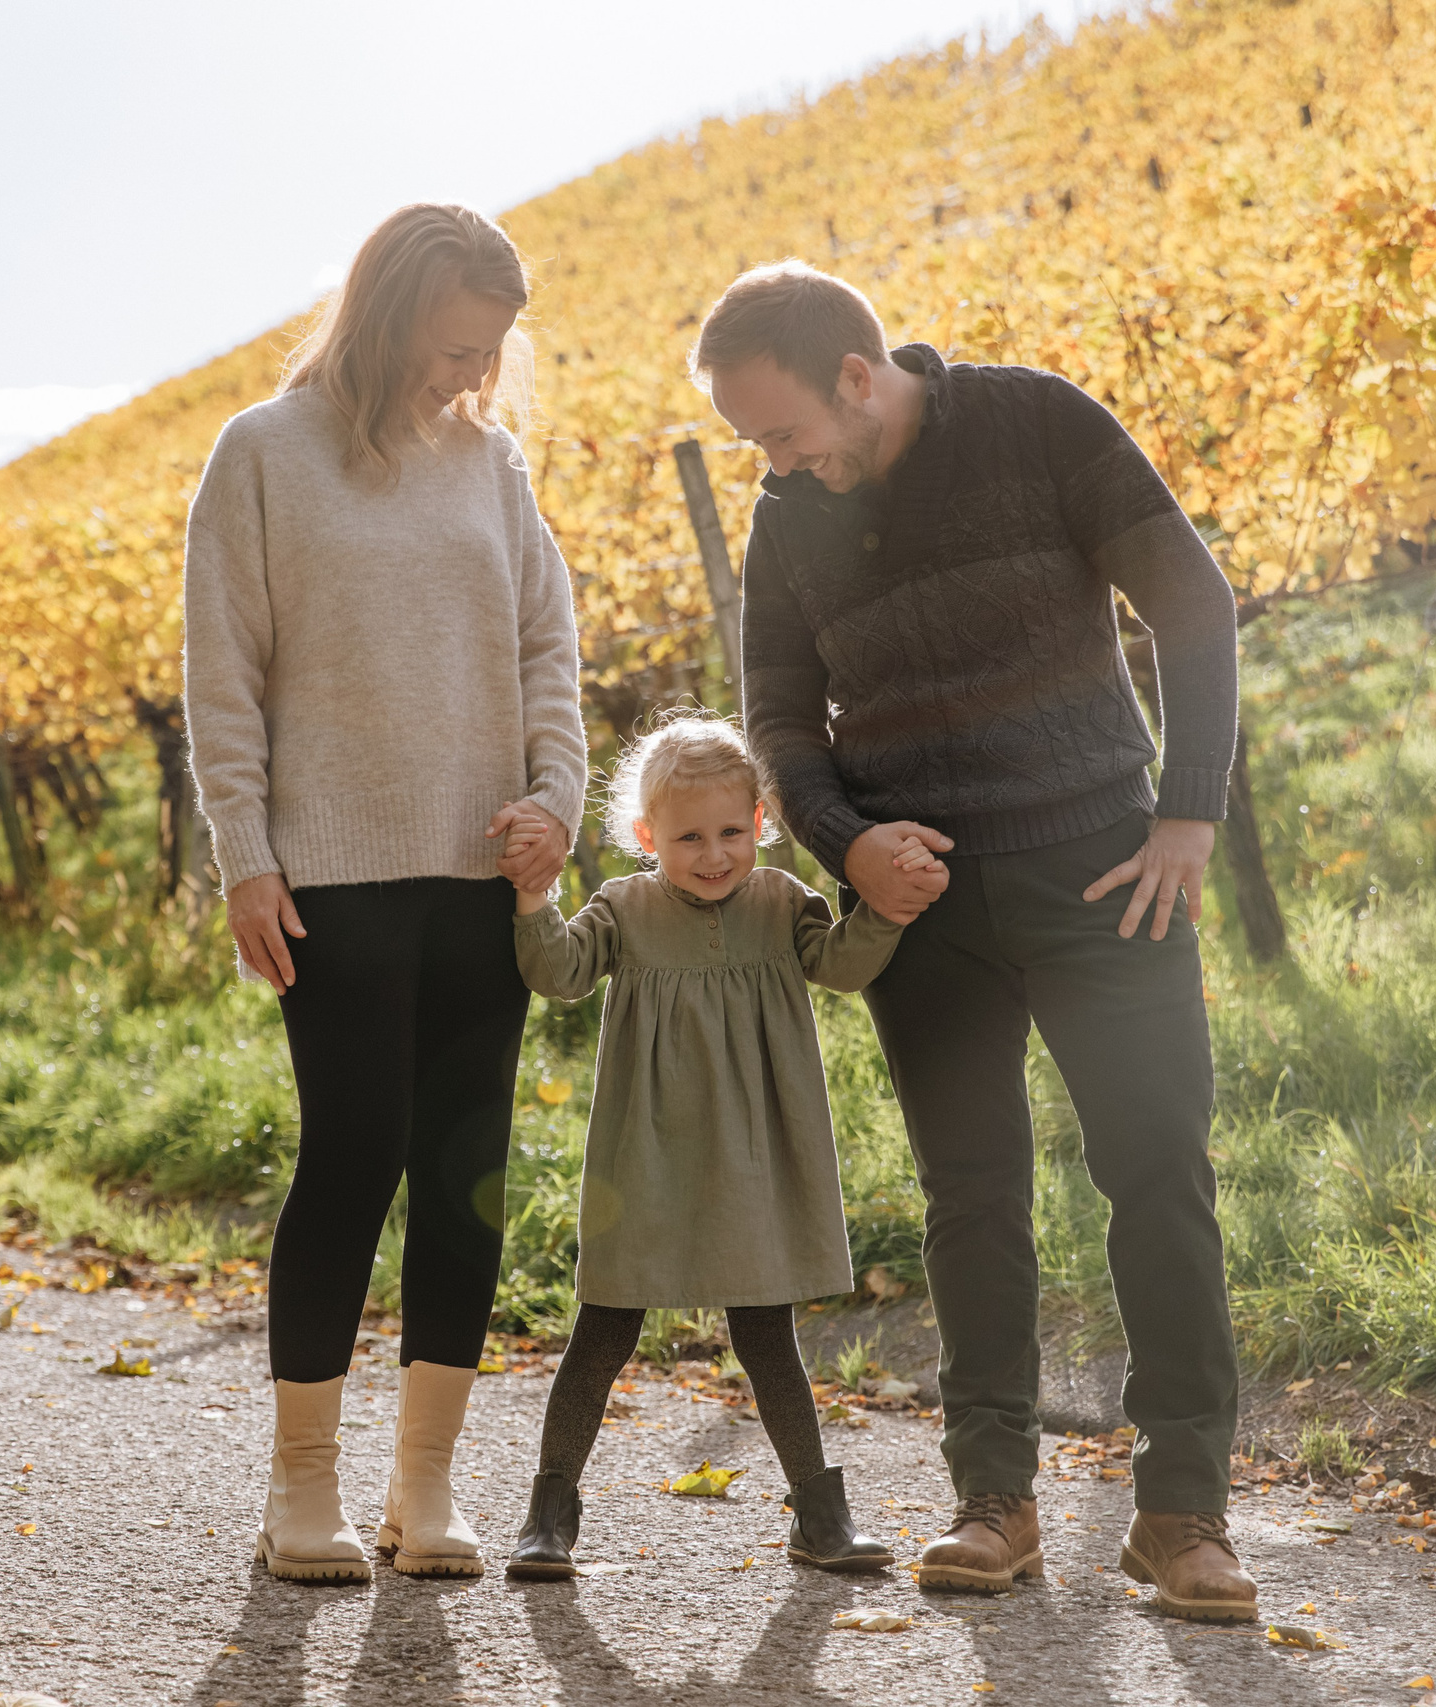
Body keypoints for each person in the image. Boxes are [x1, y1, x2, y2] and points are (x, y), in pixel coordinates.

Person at [696, 261, 1257, 1622]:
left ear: (853, 371)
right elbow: (778, 719)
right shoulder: (788, 522)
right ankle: (992, 1498)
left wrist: (1188, 814)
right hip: (922, 906)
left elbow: (1194, 604)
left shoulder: (1037, 422)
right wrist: (848, 845)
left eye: (777, 430)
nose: (771, 462)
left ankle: (1183, 1511)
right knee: (972, 1195)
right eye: (749, 443)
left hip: (1105, 874)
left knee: (1159, 1174)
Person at [182, 202, 586, 1584]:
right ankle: (304, 1492)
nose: (470, 375)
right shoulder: (263, 455)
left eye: (492, 352)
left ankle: (426, 1487)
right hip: (332, 877)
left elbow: (548, 650)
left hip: (483, 872)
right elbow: (222, 671)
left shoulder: (494, 464)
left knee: (466, 1175)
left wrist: (559, 805)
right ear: (389, 307)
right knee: (351, 1156)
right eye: (454, 343)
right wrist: (245, 849)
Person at [499, 714, 930, 1581]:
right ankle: (548, 1517)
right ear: (647, 835)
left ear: (761, 823)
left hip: (754, 1159)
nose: (714, 853)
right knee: (604, 1327)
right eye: (688, 836)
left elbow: (843, 964)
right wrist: (532, 900)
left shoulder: (780, 902)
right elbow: (561, 973)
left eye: (732, 831)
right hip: (645, 1156)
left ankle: (820, 1515)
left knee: (766, 1333)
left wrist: (884, 908)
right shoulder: (624, 907)